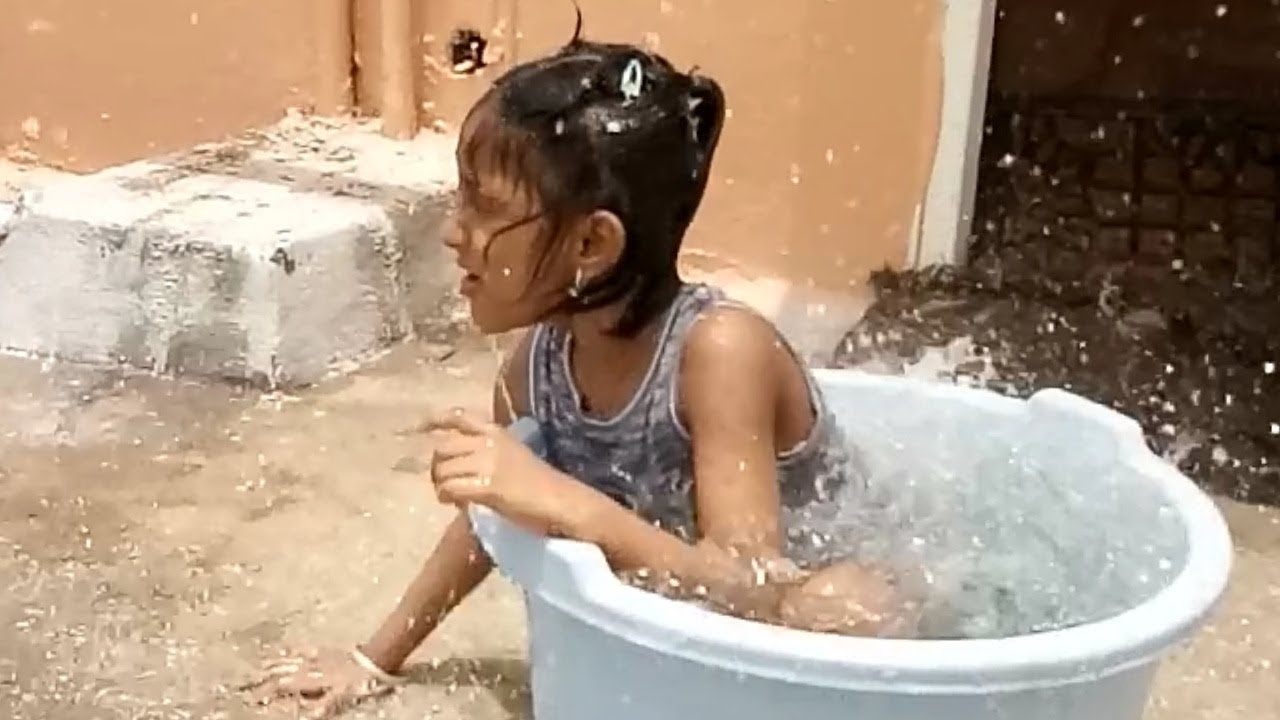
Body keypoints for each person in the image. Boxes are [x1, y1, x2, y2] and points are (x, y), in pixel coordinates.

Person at [250, 26, 914, 720]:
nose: (453, 231)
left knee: (847, 604)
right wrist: (372, 658)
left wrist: (564, 504)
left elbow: (755, 591)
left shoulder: (718, 352)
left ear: (592, 243)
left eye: (484, 205)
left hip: (820, 591)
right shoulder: (536, 365)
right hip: (695, 581)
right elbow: (492, 514)